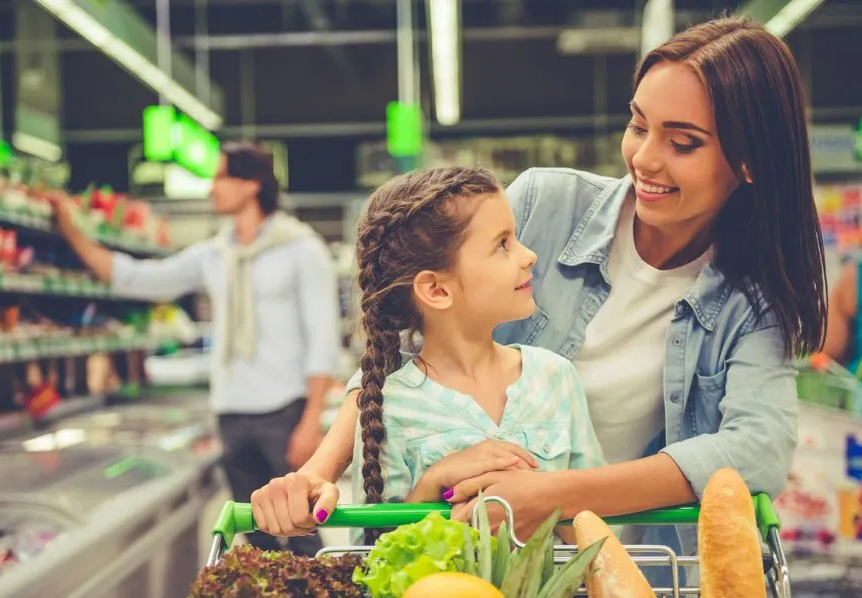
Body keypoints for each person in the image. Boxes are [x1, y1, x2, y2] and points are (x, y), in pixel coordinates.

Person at [250, 13, 827, 569]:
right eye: (638, 125)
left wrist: (556, 495)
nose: (644, 159)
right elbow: (401, 348)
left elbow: (758, 448)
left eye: (683, 143)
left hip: (613, 564)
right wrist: (321, 467)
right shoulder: (545, 205)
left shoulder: (750, 303)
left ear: (749, 161)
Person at [50, 141, 339, 556]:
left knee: (304, 529)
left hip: (286, 411)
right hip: (231, 411)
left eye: (221, 176)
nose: (211, 188)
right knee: (257, 536)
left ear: (252, 185)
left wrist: (311, 421)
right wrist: (74, 234)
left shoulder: (301, 249)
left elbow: (322, 338)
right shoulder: (214, 254)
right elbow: (142, 278)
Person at [333, 166, 604, 545]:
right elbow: (372, 557)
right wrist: (431, 486)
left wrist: (540, 497)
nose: (529, 256)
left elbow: (600, 533)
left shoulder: (555, 377)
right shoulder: (389, 406)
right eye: (503, 244)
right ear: (437, 290)